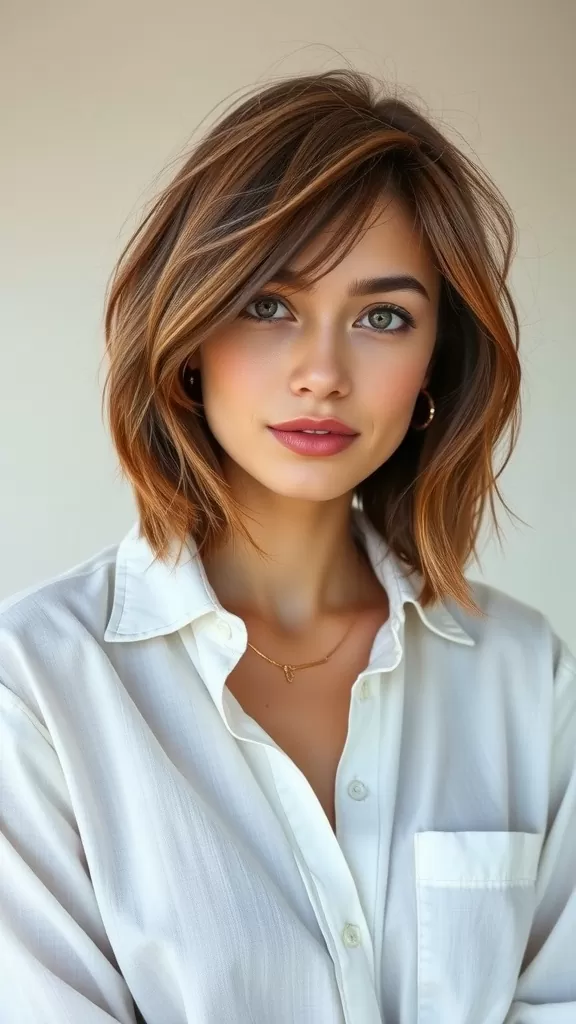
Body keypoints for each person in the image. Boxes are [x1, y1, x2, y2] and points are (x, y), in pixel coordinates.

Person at [0, 68, 574, 1024]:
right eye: (269, 305)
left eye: (383, 317)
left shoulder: (525, 678)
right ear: (188, 333)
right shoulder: (39, 688)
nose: (322, 373)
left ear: (437, 364)